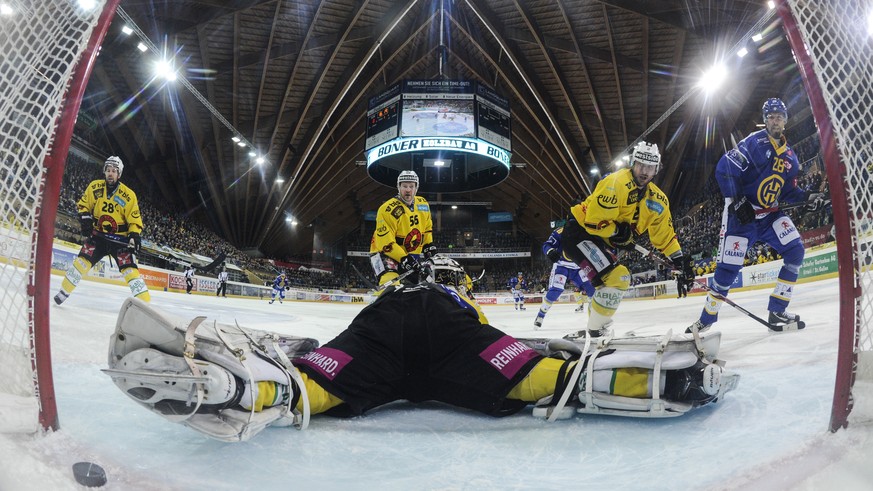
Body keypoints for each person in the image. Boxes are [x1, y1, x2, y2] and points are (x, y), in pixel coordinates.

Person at [105, 256, 738, 442]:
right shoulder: (461, 298)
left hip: (382, 330)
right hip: (452, 339)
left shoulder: (400, 287)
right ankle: (659, 379)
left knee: (310, 384)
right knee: (549, 376)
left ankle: (240, 386)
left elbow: (316, 346)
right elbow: (525, 347)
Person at [687, 98, 826, 334]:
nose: (775, 120)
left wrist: (808, 197)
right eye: (771, 116)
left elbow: (789, 191)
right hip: (742, 218)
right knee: (726, 272)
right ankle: (705, 321)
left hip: (771, 216)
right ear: (765, 120)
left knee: (795, 251)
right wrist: (737, 200)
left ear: (785, 120)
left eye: (779, 116)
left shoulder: (791, 158)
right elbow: (724, 168)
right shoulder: (753, 143)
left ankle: (777, 309)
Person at [558, 141, 695, 337]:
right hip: (579, 233)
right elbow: (593, 220)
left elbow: (664, 236)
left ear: (656, 170)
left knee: (606, 287)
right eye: (641, 165)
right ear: (633, 163)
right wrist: (616, 232)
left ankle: (594, 327)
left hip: (601, 242)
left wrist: (679, 260)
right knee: (619, 277)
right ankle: (595, 332)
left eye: (650, 167)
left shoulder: (658, 200)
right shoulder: (615, 183)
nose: (644, 171)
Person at [54, 156, 150, 305]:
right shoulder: (94, 187)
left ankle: (146, 305)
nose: (110, 174)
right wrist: (85, 218)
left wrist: (134, 235)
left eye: (114, 171)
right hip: (98, 237)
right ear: (104, 171)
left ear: (119, 174)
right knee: (80, 263)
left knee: (130, 271)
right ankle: (64, 291)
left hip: (120, 241)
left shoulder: (128, 195)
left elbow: (134, 219)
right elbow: (83, 205)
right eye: (108, 170)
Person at [369, 170, 436, 286]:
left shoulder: (423, 204)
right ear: (398, 187)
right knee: (390, 283)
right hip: (384, 253)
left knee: (421, 286)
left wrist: (428, 244)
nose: (408, 190)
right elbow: (386, 243)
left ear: (416, 188)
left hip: (410, 254)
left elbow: (427, 228)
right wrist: (403, 258)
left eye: (411, 186)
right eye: (404, 186)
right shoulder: (386, 209)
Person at [536, 226, 597, 329]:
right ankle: (540, 315)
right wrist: (550, 251)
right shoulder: (560, 232)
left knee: (592, 289)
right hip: (561, 266)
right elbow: (547, 244)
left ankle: (594, 321)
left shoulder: (587, 231)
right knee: (556, 290)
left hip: (579, 266)